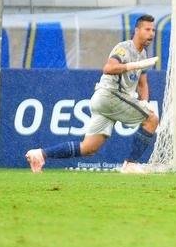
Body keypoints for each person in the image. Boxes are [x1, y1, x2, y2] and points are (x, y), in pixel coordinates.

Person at [25, 15, 159, 173]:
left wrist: (145, 102)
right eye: (147, 29)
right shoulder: (123, 48)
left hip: (104, 101)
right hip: (110, 95)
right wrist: (132, 65)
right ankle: (130, 164)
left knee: (88, 148)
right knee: (152, 119)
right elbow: (108, 68)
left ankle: (40, 154)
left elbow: (143, 84)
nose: (151, 33)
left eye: (153, 30)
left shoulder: (142, 54)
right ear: (137, 30)